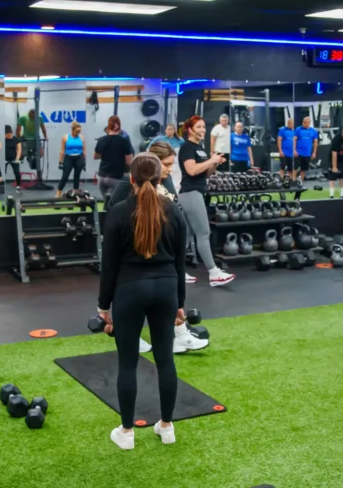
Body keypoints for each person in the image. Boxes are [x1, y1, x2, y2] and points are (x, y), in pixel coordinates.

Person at [98, 153, 188, 450]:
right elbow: (179, 263)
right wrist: (179, 302)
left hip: (129, 291)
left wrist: (103, 306)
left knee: (127, 364)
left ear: (131, 180)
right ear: (161, 179)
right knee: (166, 359)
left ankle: (126, 433)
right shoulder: (174, 211)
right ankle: (167, 426)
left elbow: (108, 266)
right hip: (165, 289)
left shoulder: (118, 212)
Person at [107, 142, 207, 352]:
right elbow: (113, 209)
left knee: (166, 292)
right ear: (152, 163)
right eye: (166, 164)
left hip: (159, 246)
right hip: (133, 247)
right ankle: (131, 336)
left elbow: (172, 205)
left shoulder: (166, 180)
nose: (170, 169)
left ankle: (179, 334)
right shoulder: (129, 181)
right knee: (126, 289)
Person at [177, 116, 236, 287]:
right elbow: (192, 170)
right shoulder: (187, 148)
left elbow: (205, 174)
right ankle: (213, 273)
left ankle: (177, 272)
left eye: (204, 126)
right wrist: (211, 160)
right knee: (203, 233)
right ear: (190, 129)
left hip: (197, 191)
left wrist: (214, 163)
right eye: (199, 127)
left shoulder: (200, 148)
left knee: (186, 236)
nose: (203, 130)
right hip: (190, 193)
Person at [95, 116, 134, 198]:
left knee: (106, 203)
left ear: (108, 127)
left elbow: (96, 156)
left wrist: (106, 152)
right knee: (114, 204)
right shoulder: (124, 141)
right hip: (116, 177)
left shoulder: (101, 140)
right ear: (119, 127)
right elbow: (129, 162)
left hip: (102, 177)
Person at [57, 120, 86, 197]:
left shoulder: (82, 137)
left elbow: (84, 151)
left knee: (77, 176)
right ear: (73, 130)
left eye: (79, 131)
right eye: (77, 131)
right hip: (68, 158)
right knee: (65, 176)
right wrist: (60, 162)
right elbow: (62, 150)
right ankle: (58, 194)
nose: (78, 133)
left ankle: (75, 192)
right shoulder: (66, 137)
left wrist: (84, 162)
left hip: (79, 158)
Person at [294, 116, 319, 183]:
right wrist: (294, 150)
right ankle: (292, 180)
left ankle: (301, 182)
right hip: (298, 152)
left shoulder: (313, 131)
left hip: (307, 153)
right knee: (295, 168)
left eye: (305, 123)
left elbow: (315, 142)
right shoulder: (298, 129)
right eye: (303, 122)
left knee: (303, 169)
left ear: (309, 123)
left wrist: (314, 152)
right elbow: (294, 140)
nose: (304, 124)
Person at [4, 125, 23, 191]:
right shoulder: (2, 139)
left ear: (11, 132)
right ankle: (1, 186)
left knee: (17, 172)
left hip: (14, 158)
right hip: (4, 158)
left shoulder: (16, 139)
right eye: (6, 135)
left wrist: (17, 158)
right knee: (2, 172)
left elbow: (19, 149)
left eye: (9, 135)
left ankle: (18, 186)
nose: (8, 136)